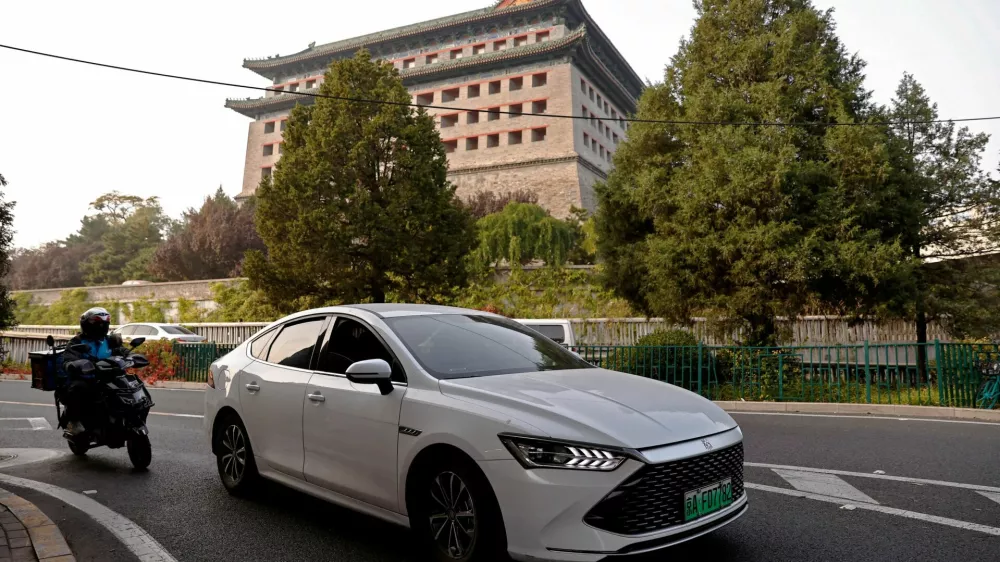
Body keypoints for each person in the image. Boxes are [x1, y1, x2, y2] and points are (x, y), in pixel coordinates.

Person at [61, 307, 129, 436]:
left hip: (109, 376)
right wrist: (74, 364)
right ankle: (73, 422)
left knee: (131, 383)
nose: (101, 327)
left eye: (104, 324)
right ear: (87, 325)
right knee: (77, 388)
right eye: (98, 324)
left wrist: (131, 355)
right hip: (88, 379)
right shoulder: (77, 341)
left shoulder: (110, 340)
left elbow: (121, 351)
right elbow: (68, 359)